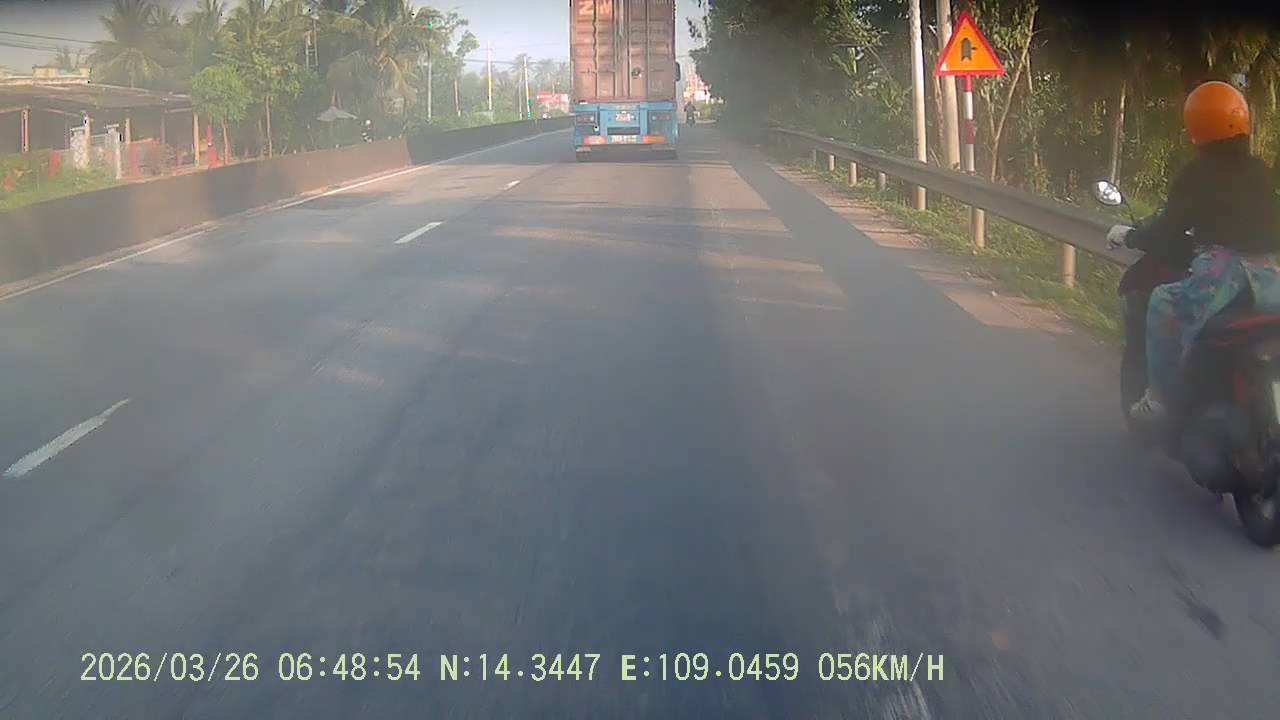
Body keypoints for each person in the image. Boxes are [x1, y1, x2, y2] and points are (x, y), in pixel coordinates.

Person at [1107, 80, 1280, 420]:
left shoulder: (1198, 173)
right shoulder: (1260, 170)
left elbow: (1168, 230)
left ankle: (1159, 399)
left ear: (1196, 124)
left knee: (1163, 303)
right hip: (1269, 273)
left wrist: (1132, 237)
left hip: (1224, 273)